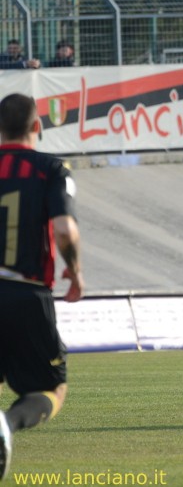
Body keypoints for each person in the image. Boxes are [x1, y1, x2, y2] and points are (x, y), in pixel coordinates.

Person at [0, 93, 84, 478]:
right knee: (54, 389)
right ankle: (9, 425)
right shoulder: (51, 168)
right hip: (24, 291)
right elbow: (65, 230)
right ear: (37, 127)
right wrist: (75, 271)